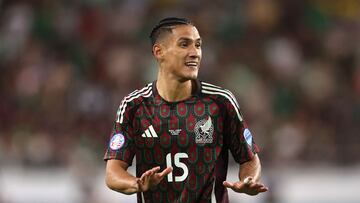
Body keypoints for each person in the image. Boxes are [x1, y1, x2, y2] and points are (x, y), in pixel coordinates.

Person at [104, 17, 268, 203]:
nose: (194, 53)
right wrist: (137, 183)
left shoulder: (220, 102)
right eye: (184, 45)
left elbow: (249, 158)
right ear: (159, 51)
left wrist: (248, 180)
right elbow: (113, 173)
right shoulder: (134, 106)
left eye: (198, 45)